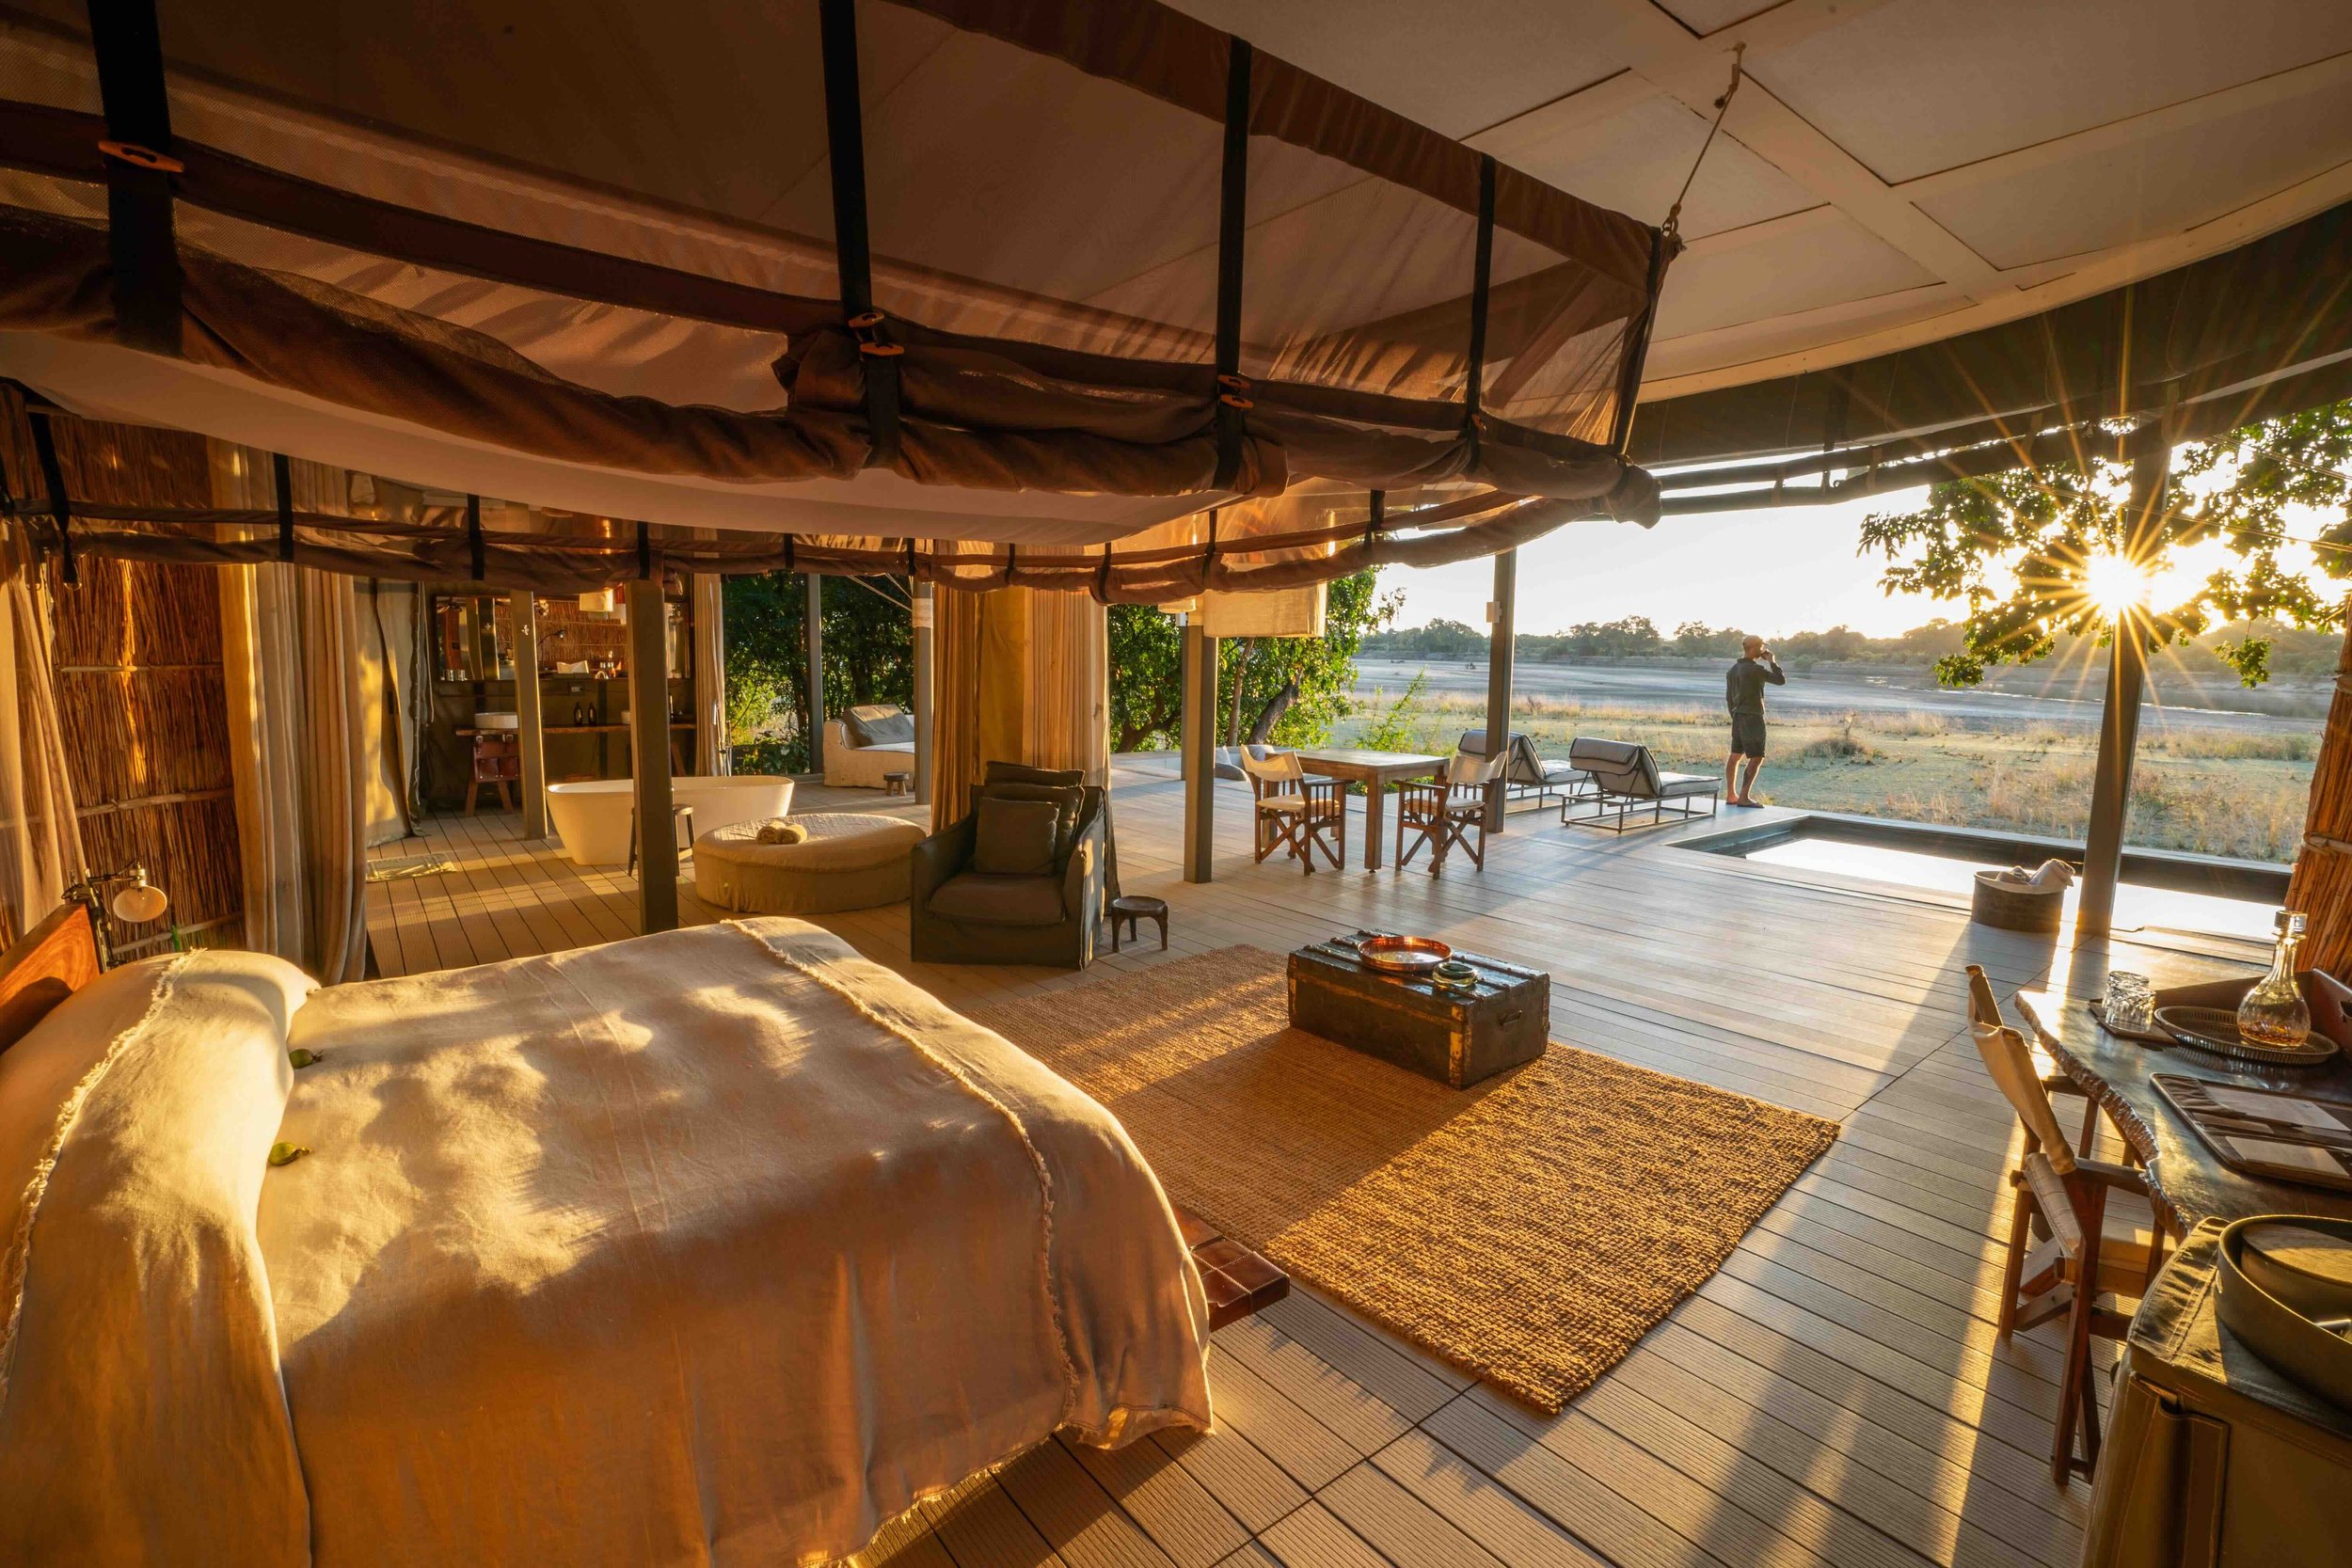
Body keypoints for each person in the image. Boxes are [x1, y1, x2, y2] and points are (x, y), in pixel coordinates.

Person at [1724, 635, 1785, 807]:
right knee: (1757, 756)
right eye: (1760, 648)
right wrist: (1772, 661)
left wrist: (1734, 715)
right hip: (1752, 718)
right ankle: (1743, 797)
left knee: (1735, 755)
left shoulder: (1733, 670)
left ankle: (1731, 795)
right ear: (1754, 648)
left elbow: (1729, 698)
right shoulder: (1755, 669)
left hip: (1737, 716)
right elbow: (1780, 680)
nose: (1762, 651)